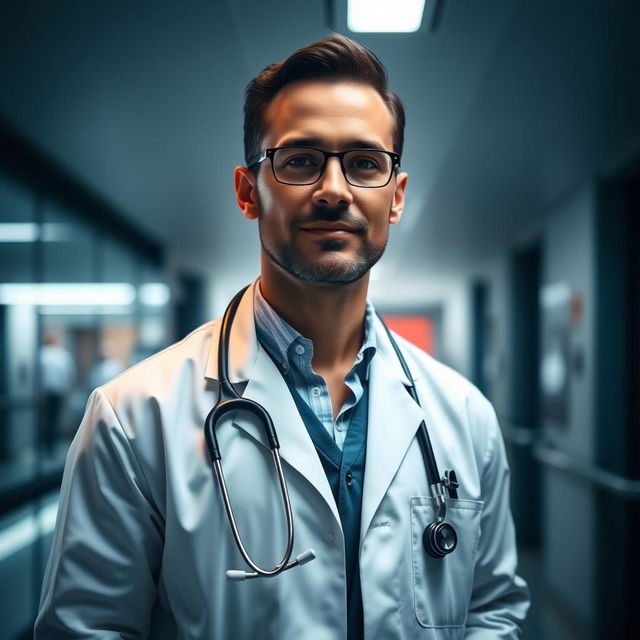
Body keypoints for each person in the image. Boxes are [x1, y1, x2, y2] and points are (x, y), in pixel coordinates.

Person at [35, 35, 529, 639]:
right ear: (249, 192)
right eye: (299, 160)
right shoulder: (133, 419)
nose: (333, 188)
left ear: (395, 199)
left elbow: (493, 611)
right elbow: (88, 630)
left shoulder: (466, 417)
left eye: (365, 163)